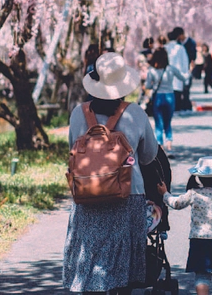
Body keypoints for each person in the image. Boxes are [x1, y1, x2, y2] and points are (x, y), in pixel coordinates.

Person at [64, 52, 159, 294]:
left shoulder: (78, 113)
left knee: (91, 253)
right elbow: (149, 156)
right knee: (123, 267)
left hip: (87, 193)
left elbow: (72, 149)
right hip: (128, 195)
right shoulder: (135, 113)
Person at [160, 158, 212, 295]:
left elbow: (176, 203)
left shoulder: (194, 193)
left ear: (198, 176)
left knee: (201, 274)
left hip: (198, 240)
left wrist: (165, 194)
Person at [146, 47, 183, 151]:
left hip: (158, 97)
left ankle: (160, 147)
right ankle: (169, 145)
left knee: (158, 123)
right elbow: (183, 78)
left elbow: (148, 85)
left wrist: (153, 85)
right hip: (170, 97)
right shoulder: (171, 69)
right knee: (168, 122)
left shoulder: (152, 70)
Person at [167, 27, 193, 112]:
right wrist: (186, 77)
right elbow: (185, 64)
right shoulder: (180, 48)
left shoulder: (165, 47)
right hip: (178, 76)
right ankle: (176, 109)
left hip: (167, 76)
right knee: (177, 95)